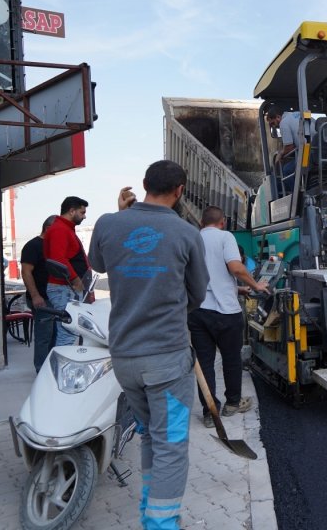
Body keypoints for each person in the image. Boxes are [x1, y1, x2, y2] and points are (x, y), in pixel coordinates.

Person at [89, 162, 209, 530]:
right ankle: (161, 524)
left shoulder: (108, 224)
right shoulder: (187, 233)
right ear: (180, 190)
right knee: (171, 445)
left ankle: (149, 510)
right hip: (167, 361)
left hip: (125, 359)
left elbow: (97, 263)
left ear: (143, 185)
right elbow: (198, 293)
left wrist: (124, 218)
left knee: (150, 436)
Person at [190, 206, 269, 428]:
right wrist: (254, 285)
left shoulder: (193, 239)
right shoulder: (225, 237)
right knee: (231, 358)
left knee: (204, 362)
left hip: (198, 312)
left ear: (201, 223)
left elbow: (206, 276)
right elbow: (235, 267)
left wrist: (237, 289)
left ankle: (209, 412)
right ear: (222, 222)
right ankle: (233, 403)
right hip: (225, 313)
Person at [43, 196, 93, 346]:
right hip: (63, 289)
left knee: (69, 332)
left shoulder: (65, 229)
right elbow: (58, 259)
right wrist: (76, 281)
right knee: (67, 334)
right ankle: (63, 368)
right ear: (72, 211)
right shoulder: (60, 229)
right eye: (82, 212)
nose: (84, 216)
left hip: (67, 288)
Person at [20, 215, 57, 372]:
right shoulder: (33, 246)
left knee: (54, 335)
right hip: (41, 299)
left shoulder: (52, 245)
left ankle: (50, 368)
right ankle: (41, 370)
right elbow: (26, 272)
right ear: (48, 229)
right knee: (44, 337)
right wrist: (35, 296)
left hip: (53, 299)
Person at [264, 105, 301, 182]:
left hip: (309, 155)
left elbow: (289, 147)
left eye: (273, 123)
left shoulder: (283, 123)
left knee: (286, 170)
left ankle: (296, 193)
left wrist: (280, 155)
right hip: (321, 150)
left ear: (278, 117)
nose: (274, 126)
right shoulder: (298, 115)